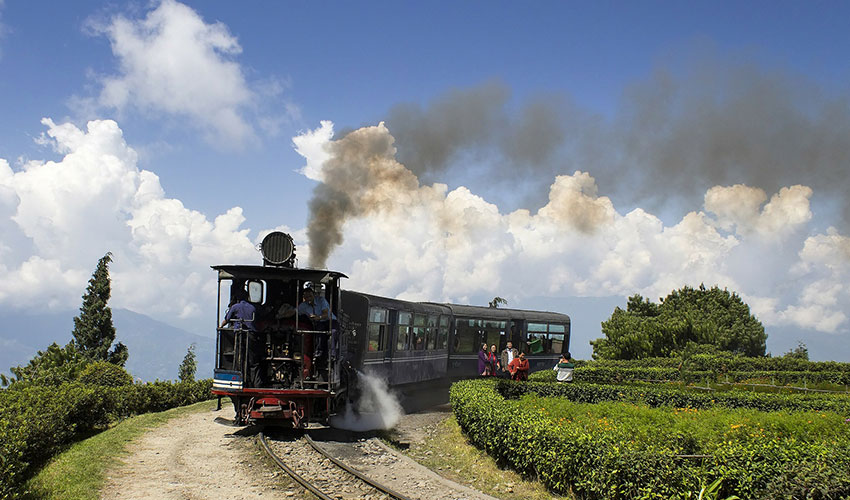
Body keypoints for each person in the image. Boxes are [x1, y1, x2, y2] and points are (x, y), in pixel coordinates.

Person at [221, 290, 262, 387]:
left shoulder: (235, 307)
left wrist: (220, 326)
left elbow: (227, 319)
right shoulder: (253, 307)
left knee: (241, 358)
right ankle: (256, 384)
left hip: (240, 334)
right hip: (251, 335)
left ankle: (242, 381)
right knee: (253, 360)